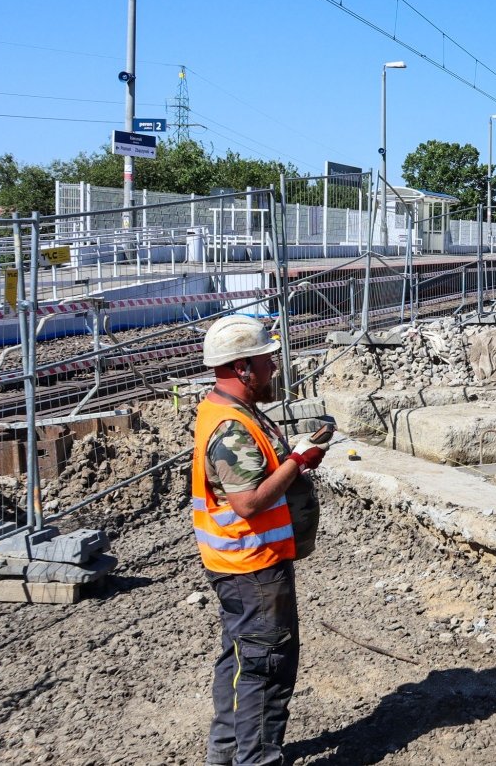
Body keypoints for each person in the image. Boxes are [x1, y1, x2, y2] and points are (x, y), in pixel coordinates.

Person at [192, 315, 329, 766]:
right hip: (252, 567)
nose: (275, 367)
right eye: (267, 361)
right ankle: (256, 760)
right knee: (266, 670)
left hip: (241, 566)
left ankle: (226, 754)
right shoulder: (231, 428)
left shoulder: (226, 409)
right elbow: (249, 503)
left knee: (240, 661)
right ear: (242, 367)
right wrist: (300, 459)